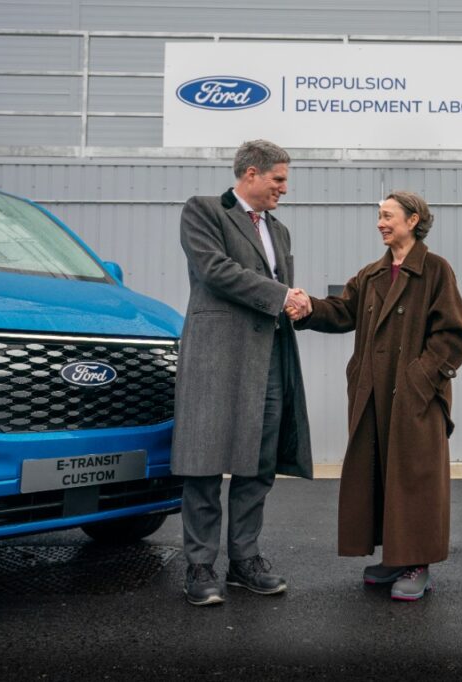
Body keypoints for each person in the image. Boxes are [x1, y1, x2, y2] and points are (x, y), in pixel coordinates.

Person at [288, 191, 462, 601]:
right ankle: (394, 556)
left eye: (388, 216)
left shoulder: (435, 271)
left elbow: (456, 333)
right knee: (380, 474)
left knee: (414, 478)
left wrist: (420, 379)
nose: (380, 223)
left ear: (413, 220)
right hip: (374, 392)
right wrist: (308, 309)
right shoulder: (372, 274)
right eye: (379, 216)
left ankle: (417, 563)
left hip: (415, 397)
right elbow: (341, 311)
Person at [172, 139, 313, 607]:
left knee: (260, 464)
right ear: (250, 174)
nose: (283, 189)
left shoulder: (281, 230)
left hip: (268, 357)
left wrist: (295, 301)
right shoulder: (204, 211)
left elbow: (275, 288)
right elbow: (215, 270)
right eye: (278, 180)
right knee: (204, 462)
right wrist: (281, 295)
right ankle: (199, 565)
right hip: (217, 356)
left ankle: (244, 560)